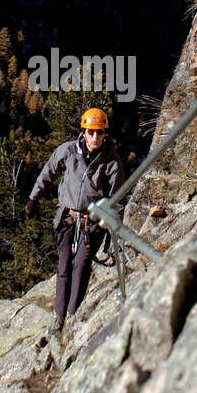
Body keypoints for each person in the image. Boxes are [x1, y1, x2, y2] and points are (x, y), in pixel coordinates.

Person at [25, 108, 125, 338]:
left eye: (99, 133)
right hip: (67, 217)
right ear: (84, 131)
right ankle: (58, 316)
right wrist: (33, 197)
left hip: (91, 222)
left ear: (104, 134)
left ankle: (71, 313)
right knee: (64, 267)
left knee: (81, 264)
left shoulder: (111, 161)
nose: (95, 138)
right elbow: (48, 172)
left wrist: (115, 232)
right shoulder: (68, 151)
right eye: (91, 132)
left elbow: (116, 199)